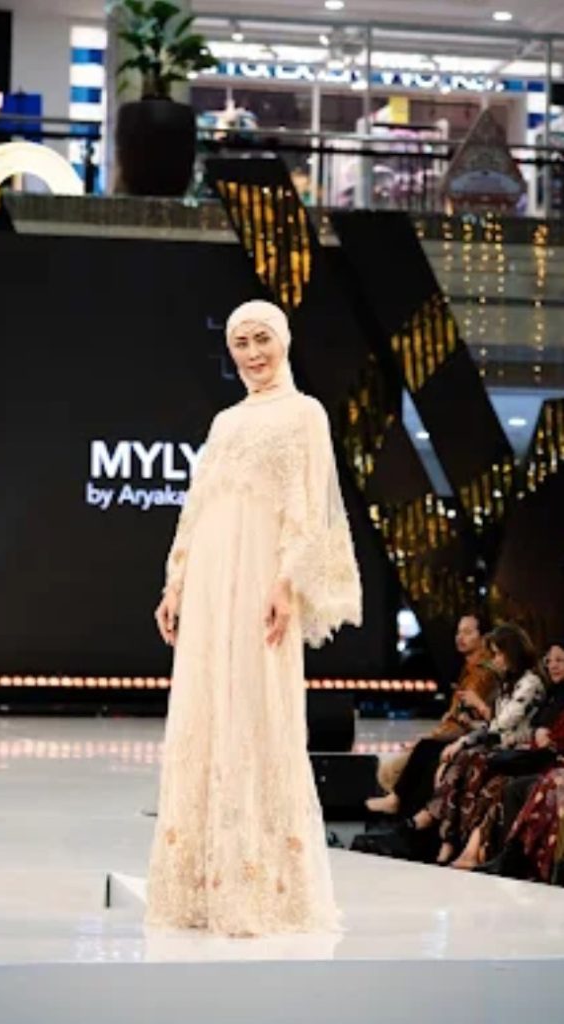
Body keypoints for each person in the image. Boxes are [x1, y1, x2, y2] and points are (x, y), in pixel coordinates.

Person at [145, 300, 362, 936]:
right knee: (205, 713)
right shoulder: (225, 422)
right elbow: (197, 508)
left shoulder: (305, 414)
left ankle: (262, 887)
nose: (252, 353)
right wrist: (175, 583)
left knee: (255, 710)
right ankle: (199, 886)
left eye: (262, 338)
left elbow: (309, 508)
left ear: (284, 340)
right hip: (212, 585)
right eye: (240, 342)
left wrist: (287, 582)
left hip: (260, 584)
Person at [408, 623, 546, 865]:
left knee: (471, 759)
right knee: (460, 759)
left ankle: (440, 828)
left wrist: (466, 737)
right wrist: (469, 729)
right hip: (504, 749)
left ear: (511, 652)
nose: (495, 660)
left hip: (521, 754)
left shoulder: (530, 683)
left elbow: (501, 724)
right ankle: (448, 839)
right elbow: (494, 726)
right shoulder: (508, 683)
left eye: (498, 654)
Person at [367, 613, 497, 817]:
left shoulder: (484, 674)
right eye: (458, 632)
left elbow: (462, 723)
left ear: (483, 637)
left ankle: (401, 809)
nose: (460, 637)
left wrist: (430, 737)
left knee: (395, 767)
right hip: (456, 734)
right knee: (392, 766)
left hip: (467, 738)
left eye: (467, 632)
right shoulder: (468, 669)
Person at [450, 639, 564, 871]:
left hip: (541, 758)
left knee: (496, 775)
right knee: (472, 763)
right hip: (530, 754)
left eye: (560, 661)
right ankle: (460, 842)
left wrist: (480, 710)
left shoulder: (531, 684)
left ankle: (480, 850)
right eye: (549, 661)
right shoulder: (545, 692)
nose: (553, 666)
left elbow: (505, 725)